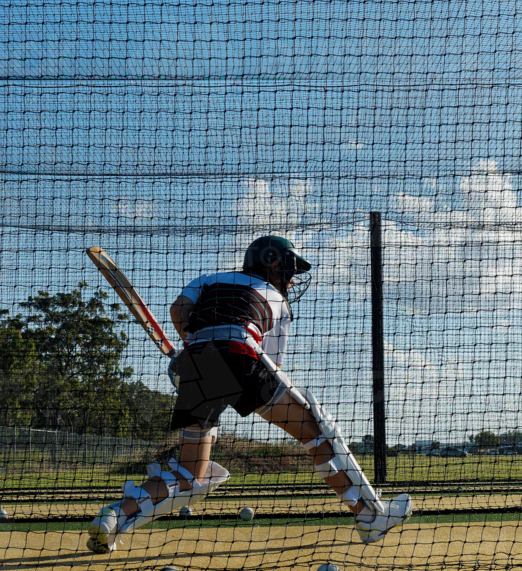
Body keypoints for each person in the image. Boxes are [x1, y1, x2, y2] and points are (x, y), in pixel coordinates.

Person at [87, 234, 412, 552]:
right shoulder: (277, 301)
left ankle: (115, 515)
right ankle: (369, 516)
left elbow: (178, 311)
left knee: (188, 475)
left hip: (198, 365)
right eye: (289, 268)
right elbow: (268, 361)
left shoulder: (208, 279)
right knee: (317, 434)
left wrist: (191, 354)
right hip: (244, 357)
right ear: (271, 263)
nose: (293, 279)